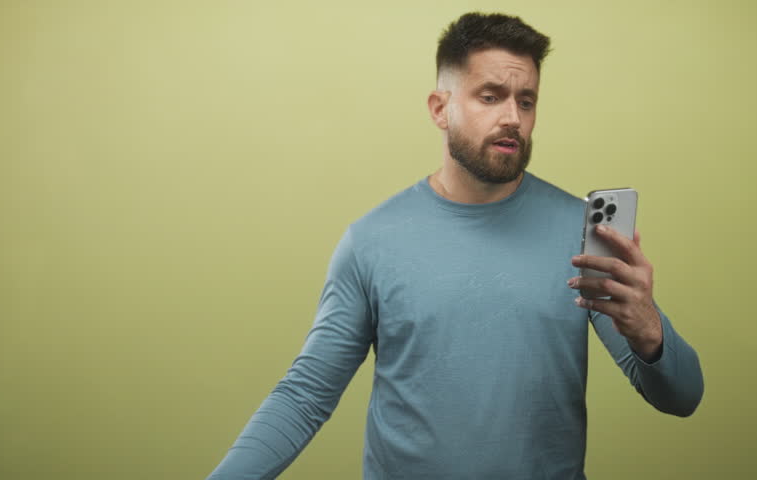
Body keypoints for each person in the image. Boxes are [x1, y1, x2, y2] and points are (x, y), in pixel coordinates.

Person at [206, 12, 704, 480]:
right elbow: (304, 397)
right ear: (440, 109)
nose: (512, 117)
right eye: (490, 96)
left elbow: (682, 397)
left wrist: (650, 332)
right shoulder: (371, 241)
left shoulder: (581, 234)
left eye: (526, 101)